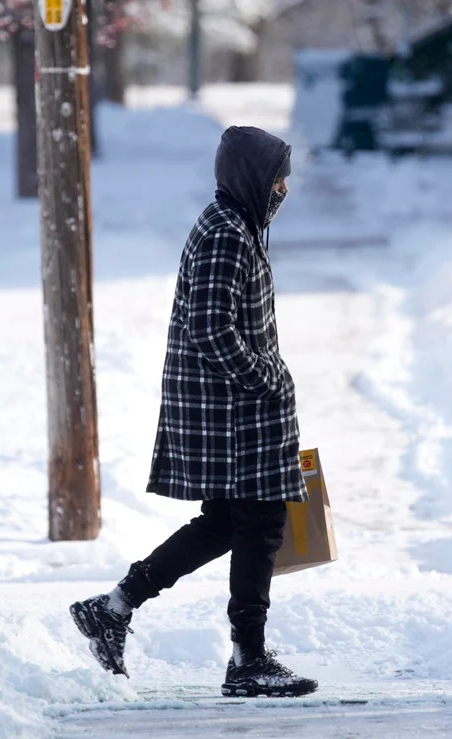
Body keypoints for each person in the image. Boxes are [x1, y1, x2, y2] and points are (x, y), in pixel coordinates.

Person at [70, 126, 317, 699]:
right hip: (234, 413)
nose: (284, 188)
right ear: (254, 178)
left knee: (228, 523)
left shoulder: (234, 225)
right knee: (259, 525)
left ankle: (114, 607)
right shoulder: (228, 234)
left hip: (231, 410)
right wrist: (265, 377)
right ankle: (247, 661)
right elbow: (211, 329)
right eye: (278, 176)